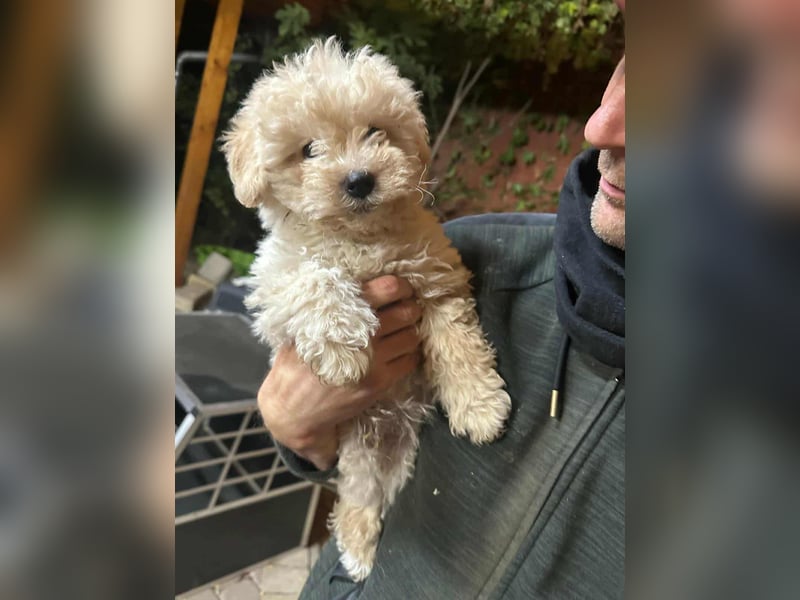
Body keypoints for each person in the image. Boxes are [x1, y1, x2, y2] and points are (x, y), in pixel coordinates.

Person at [259, 3, 626, 597]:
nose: (604, 124)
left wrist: (464, 375)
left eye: (377, 135)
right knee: (365, 485)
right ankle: (356, 519)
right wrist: (292, 425)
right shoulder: (485, 249)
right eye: (310, 151)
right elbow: (302, 388)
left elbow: (444, 302)